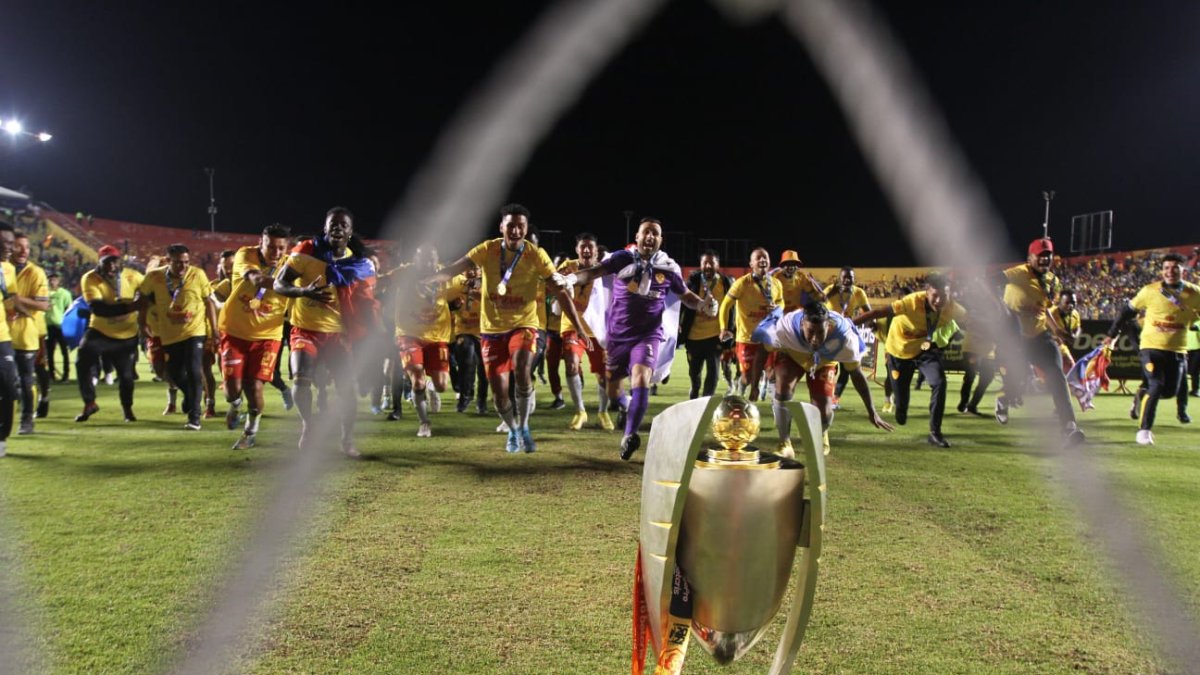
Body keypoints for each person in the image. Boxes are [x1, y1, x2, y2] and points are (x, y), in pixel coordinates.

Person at [425, 204, 586, 454]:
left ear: (525, 229)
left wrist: (578, 326)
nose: (515, 230)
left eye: (520, 225)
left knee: (522, 366)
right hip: (491, 331)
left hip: (524, 325)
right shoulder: (487, 249)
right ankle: (511, 429)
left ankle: (523, 426)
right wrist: (428, 280)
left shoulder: (536, 255)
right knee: (499, 393)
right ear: (501, 227)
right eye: (510, 225)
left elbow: (560, 291)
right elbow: (454, 269)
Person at [568, 217, 715, 460]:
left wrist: (703, 305)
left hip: (648, 335)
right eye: (646, 232)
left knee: (641, 377)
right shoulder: (622, 258)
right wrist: (572, 278)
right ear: (636, 237)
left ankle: (629, 435)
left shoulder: (667, 267)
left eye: (655, 233)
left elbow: (685, 295)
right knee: (614, 391)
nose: (650, 236)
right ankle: (627, 407)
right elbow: (595, 272)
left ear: (660, 240)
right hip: (618, 337)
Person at [274, 207, 379, 457]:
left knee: (346, 390)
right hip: (305, 329)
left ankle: (347, 441)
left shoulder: (360, 264)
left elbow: (366, 302)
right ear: (325, 227)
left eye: (343, 224)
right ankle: (309, 426)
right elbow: (279, 283)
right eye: (333, 223)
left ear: (350, 231)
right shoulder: (306, 252)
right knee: (301, 377)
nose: (337, 228)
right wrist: (302, 292)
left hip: (338, 334)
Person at [754, 301, 893, 457]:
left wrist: (871, 410)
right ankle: (784, 442)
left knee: (825, 412)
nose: (815, 338)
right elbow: (762, 351)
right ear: (801, 326)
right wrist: (754, 385)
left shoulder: (845, 339)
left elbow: (857, 375)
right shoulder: (784, 330)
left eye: (820, 332)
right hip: (794, 355)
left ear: (829, 327)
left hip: (825, 361)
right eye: (811, 331)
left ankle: (821, 432)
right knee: (783, 388)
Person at [853, 274, 966, 447]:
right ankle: (901, 407)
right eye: (934, 296)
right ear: (926, 293)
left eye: (943, 296)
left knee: (940, 382)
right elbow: (877, 312)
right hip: (899, 351)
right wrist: (846, 323)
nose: (939, 301)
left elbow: (973, 320)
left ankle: (935, 433)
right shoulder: (910, 302)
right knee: (901, 405)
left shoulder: (953, 308)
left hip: (924, 350)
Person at [994, 237, 1085, 446]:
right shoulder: (1018, 273)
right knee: (1020, 382)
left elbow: (1044, 311)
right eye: (1040, 256)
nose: (1044, 260)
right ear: (1030, 258)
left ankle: (1069, 427)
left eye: (1048, 256)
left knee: (1057, 375)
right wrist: (998, 307)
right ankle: (1004, 399)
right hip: (1015, 338)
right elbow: (989, 280)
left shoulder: (1053, 281)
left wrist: (1058, 331)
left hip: (1040, 336)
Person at [1105, 252, 1200, 445]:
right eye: (1166, 268)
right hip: (1151, 348)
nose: (1170, 271)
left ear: (1184, 270)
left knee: (1169, 392)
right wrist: (1111, 334)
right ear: (1161, 271)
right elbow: (1126, 311)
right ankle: (1144, 431)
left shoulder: (1195, 293)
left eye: (1175, 267)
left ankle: (1142, 395)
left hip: (1178, 351)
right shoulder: (1150, 290)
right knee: (1156, 384)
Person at [218, 225, 291, 449]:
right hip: (235, 332)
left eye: (281, 248)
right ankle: (235, 404)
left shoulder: (292, 265)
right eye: (271, 247)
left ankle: (251, 429)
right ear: (261, 243)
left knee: (255, 386)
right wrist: (298, 288)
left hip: (268, 336)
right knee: (232, 389)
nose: (275, 253)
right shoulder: (245, 254)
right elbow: (256, 279)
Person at [138, 244, 219, 430]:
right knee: (173, 373)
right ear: (168, 261)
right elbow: (142, 299)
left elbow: (209, 303)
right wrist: (142, 323)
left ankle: (194, 418)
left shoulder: (197, 274)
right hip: (169, 335)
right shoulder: (154, 277)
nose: (183, 267)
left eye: (186, 262)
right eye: (178, 263)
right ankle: (191, 397)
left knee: (193, 370)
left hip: (194, 332)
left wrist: (214, 330)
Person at [389, 245, 458, 438]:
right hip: (408, 334)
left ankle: (431, 387)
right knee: (417, 379)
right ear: (415, 260)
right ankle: (424, 423)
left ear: (437, 260)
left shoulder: (447, 274)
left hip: (437, 338)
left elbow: (463, 288)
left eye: (431, 259)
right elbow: (381, 281)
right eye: (423, 259)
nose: (428, 263)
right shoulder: (404, 273)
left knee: (442, 386)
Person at [75, 245, 144, 423]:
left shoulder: (133, 276)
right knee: (82, 357)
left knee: (127, 377)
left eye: (114, 261)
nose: (111, 266)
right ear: (99, 262)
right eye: (106, 262)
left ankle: (127, 409)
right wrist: (131, 306)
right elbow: (98, 309)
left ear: (119, 261)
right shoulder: (90, 278)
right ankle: (89, 402)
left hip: (126, 335)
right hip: (100, 331)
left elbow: (150, 293)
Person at [557, 233, 612, 430]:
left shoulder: (605, 270)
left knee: (604, 374)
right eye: (583, 247)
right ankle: (580, 411)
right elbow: (554, 286)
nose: (586, 250)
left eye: (590, 247)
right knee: (571, 363)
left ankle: (603, 412)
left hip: (597, 330)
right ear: (577, 250)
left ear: (597, 251)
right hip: (572, 326)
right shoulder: (567, 267)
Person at [720, 248, 784, 402]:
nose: (762, 260)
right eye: (758, 258)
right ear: (751, 263)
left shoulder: (776, 283)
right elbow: (725, 305)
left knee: (771, 373)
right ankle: (740, 391)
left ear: (769, 262)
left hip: (768, 338)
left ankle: (776, 406)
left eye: (765, 258)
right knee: (747, 377)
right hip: (747, 339)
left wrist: (778, 308)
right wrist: (724, 328)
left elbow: (780, 302)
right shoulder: (742, 283)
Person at [9, 231, 50, 434]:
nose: (24, 250)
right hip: (2, 333)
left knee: (26, 379)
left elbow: (43, 305)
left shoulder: (36, 272)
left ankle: (27, 420)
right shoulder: (4, 269)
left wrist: (15, 298)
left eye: (27, 247)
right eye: (19, 246)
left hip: (25, 335)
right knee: (7, 381)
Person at [680, 250, 733, 400]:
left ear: (718, 265)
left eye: (712, 263)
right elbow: (682, 304)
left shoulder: (725, 282)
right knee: (694, 373)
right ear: (701, 265)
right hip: (693, 337)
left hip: (715, 336)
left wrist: (729, 329)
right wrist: (678, 324)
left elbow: (731, 308)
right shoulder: (692, 282)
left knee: (713, 373)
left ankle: (705, 403)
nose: (708, 266)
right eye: (705, 263)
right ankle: (695, 391)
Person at [822, 266, 872, 404]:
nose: (848, 280)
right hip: (829, 334)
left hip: (847, 334)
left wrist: (872, 322)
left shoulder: (859, 293)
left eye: (851, 277)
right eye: (845, 277)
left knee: (846, 368)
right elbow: (818, 303)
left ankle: (835, 398)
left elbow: (868, 312)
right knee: (829, 366)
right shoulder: (830, 290)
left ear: (854, 279)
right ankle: (825, 394)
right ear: (840, 278)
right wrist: (831, 293)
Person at [449, 265, 488, 414]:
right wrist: (454, 304)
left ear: (480, 270)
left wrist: (479, 295)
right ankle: (464, 397)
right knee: (466, 356)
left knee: (484, 368)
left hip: (484, 331)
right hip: (463, 330)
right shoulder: (456, 284)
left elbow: (496, 302)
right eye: (468, 267)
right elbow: (446, 303)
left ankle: (481, 400)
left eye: (475, 268)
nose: (471, 271)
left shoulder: (487, 283)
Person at [0, 225, 19, 456]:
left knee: (8, 388)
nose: (8, 246)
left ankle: (2, 437)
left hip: (2, 337)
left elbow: (9, 299)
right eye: (3, 241)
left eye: (10, 242)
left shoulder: (8, 269)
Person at [45, 272, 74, 382]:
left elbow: (69, 308)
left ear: (58, 281)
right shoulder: (44, 293)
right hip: (48, 325)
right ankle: (51, 375)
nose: (52, 282)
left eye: (54, 280)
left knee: (64, 351)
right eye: (50, 280)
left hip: (61, 326)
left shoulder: (64, 294)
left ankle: (66, 375)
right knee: (50, 352)